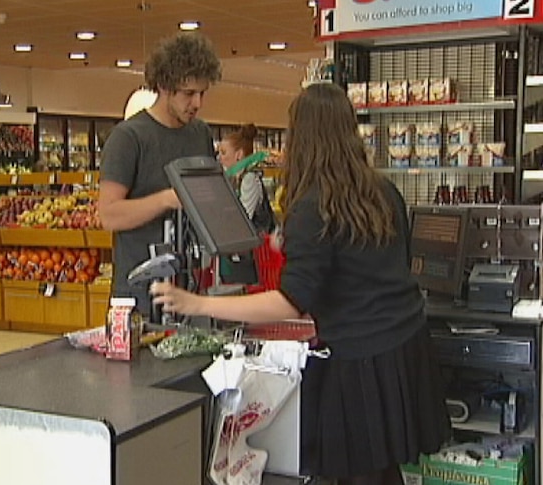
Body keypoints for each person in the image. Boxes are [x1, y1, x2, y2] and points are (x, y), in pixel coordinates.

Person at [151, 83, 450, 485]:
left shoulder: (312, 206)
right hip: (404, 348)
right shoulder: (382, 191)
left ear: (302, 137)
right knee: (379, 470)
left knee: (354, 472)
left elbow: (290, 303)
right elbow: (372, 258)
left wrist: (196, 304)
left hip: (359, 361)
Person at [99, 32, 221, 316]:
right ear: (164, 87)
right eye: (189, 93)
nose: (198, 103)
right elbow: (109, 214)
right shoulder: (128, 138)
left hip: (191, 287)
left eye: (202, 93)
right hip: (140, 293)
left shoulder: (200, 133)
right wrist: (167, 199)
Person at [217, 124, 275, 234]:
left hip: (257, 245)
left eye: (223, 152)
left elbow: (243, 219)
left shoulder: (249, 179)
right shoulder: (234, 178)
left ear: (239, 154)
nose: (219, 157)